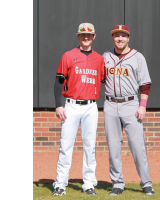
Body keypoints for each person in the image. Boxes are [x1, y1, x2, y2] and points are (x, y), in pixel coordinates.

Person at [52, 22, 105, 196]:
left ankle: (89, 184)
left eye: (89, 35)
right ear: (78, 36)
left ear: (94, 37)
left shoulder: (99, 59)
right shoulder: (68, 55)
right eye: (83, 34)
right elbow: (59, 81)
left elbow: (105, 80)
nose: (86, 37)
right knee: (66, 145)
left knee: (90, 146)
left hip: (91, 106)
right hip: (71, 105)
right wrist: (59, 104)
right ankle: (60, 183)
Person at [102, 24, 155, 196]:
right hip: (110, 105)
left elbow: (145, 84)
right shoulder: (106, 56)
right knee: (113, 147)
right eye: (117, 35)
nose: (120, 39)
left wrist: (142, 106)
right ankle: (117, 182)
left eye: (123, 36)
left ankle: (146, 182)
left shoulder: (138, 57)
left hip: (131, 104)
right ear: (112, 37)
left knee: (137, 146)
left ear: (128, 38)